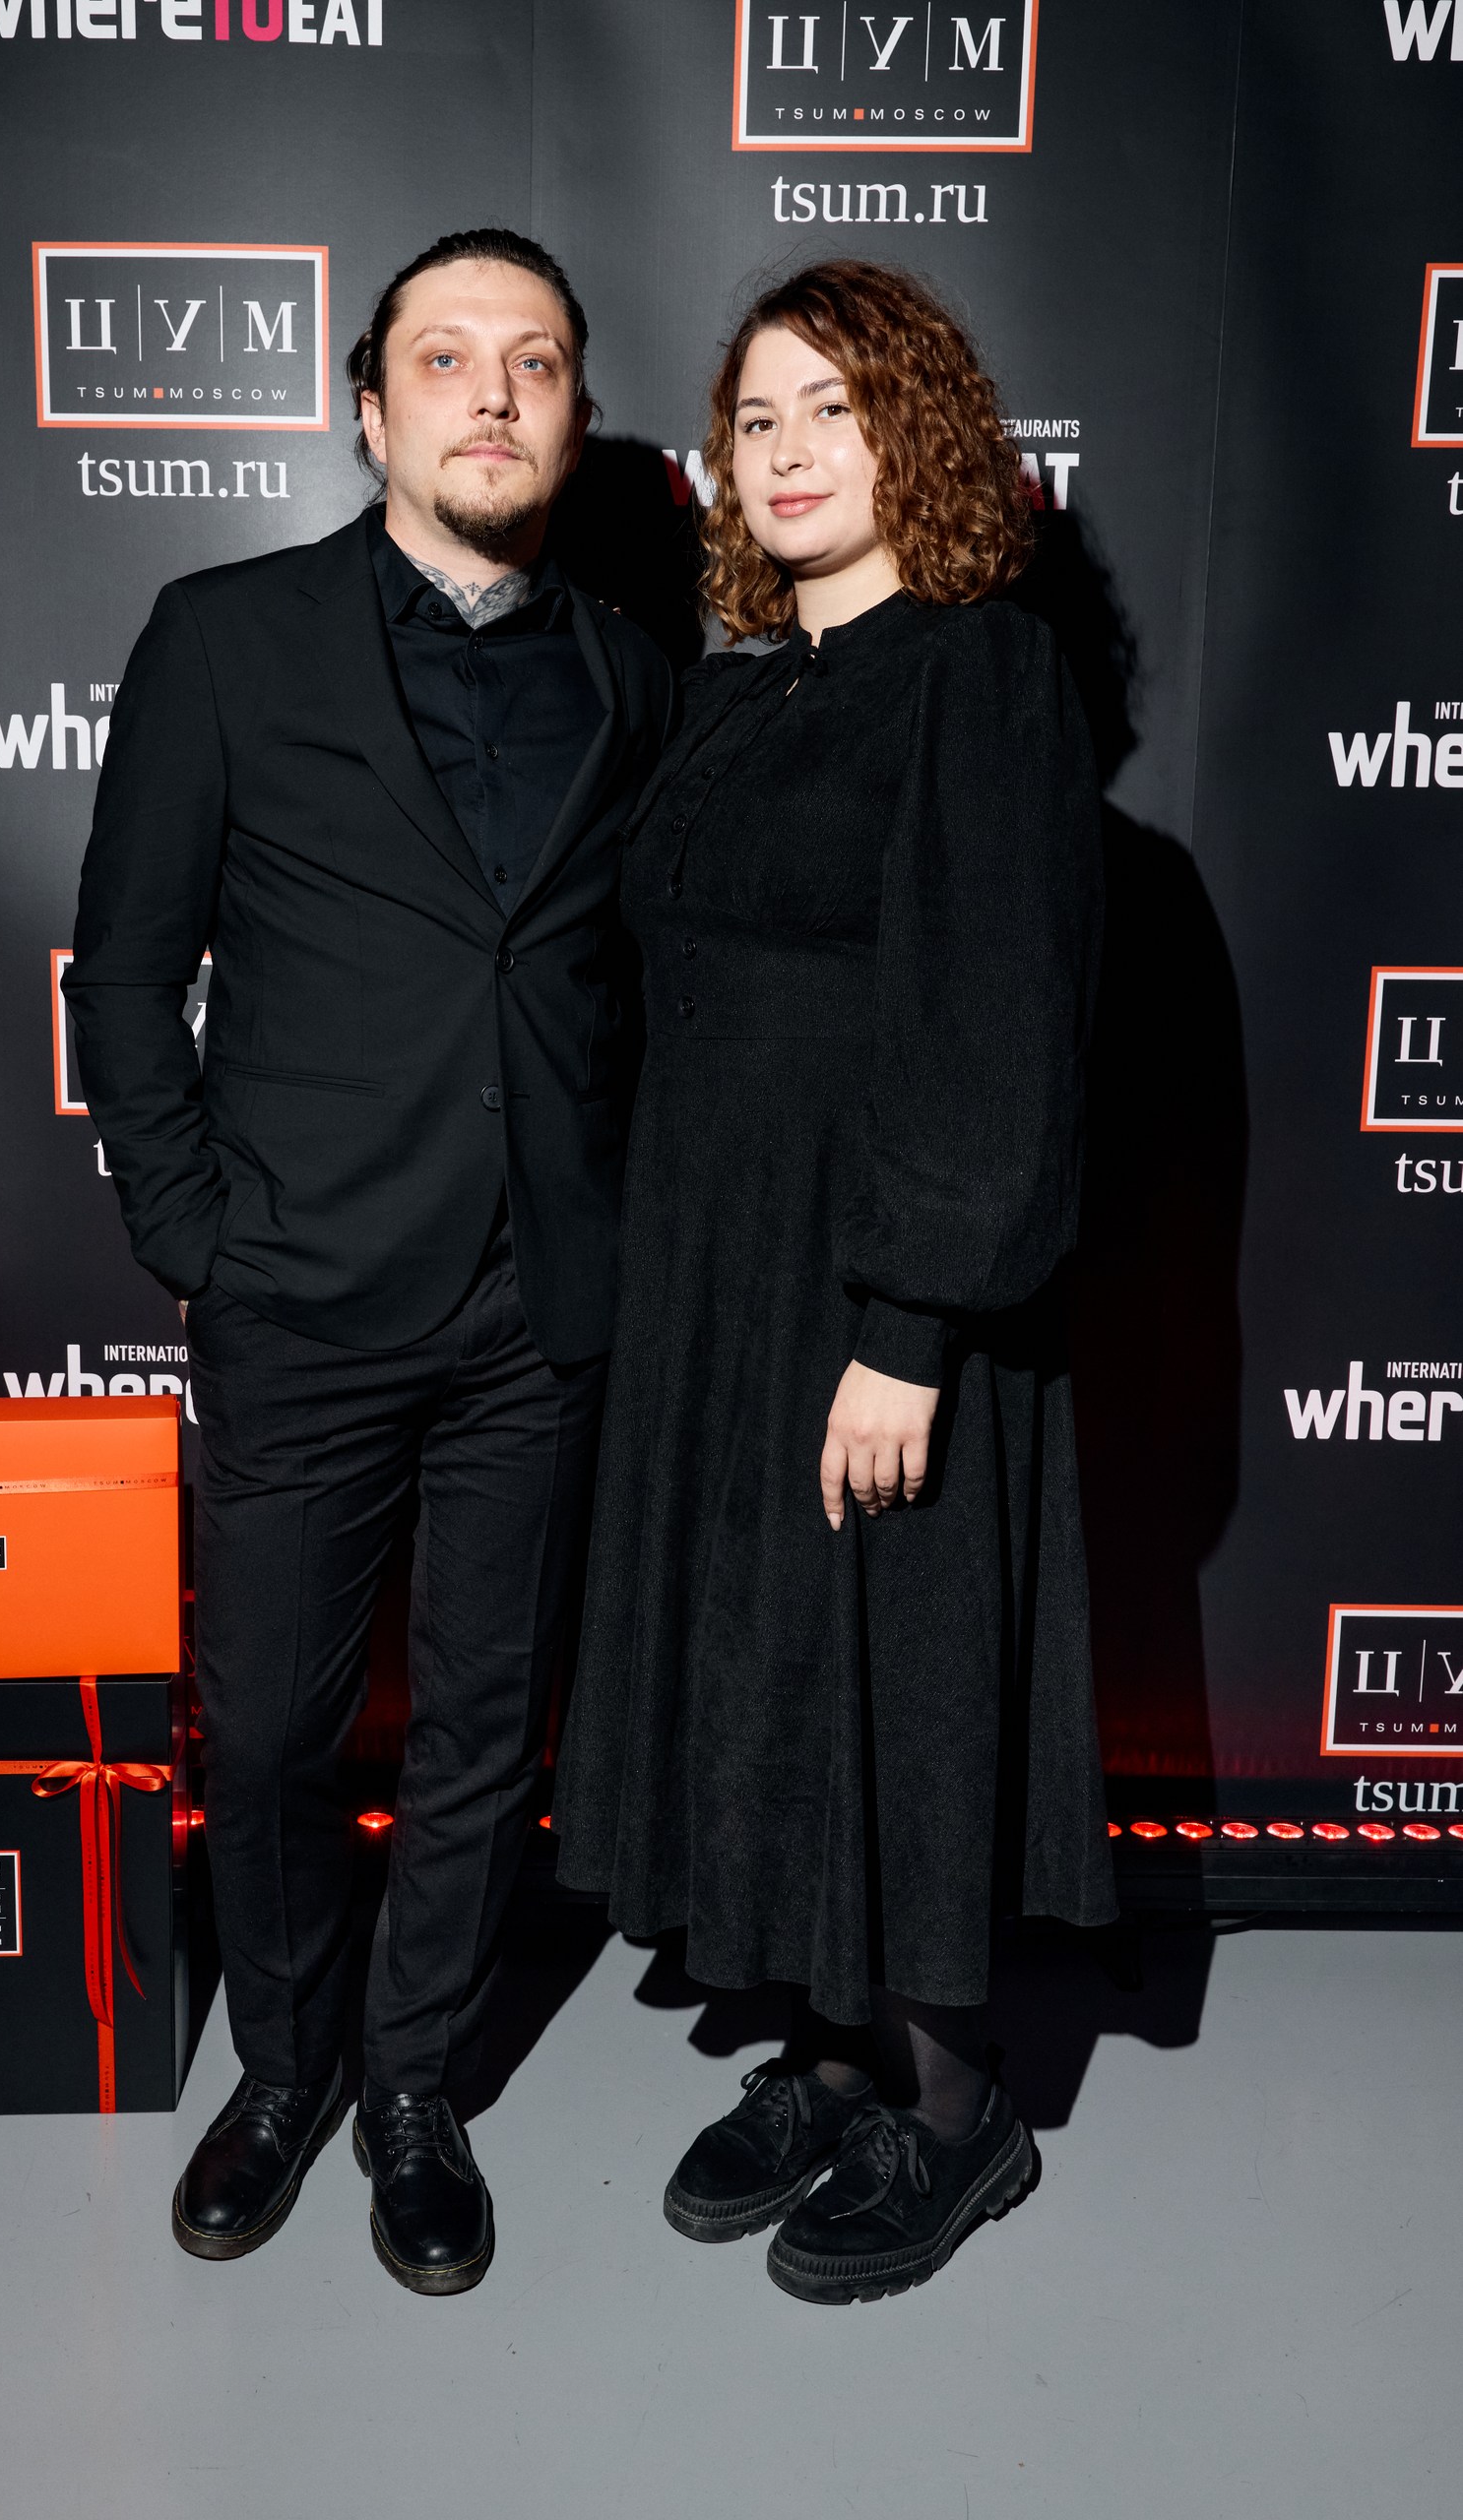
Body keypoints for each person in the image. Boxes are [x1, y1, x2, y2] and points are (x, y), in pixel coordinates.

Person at [65, 228, 672, 2292]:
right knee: (261, 1737)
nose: (491, 393)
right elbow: (127, 971)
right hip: (300, 1292)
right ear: (367, 406)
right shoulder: (225, 637)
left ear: (573, 415)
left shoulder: (632, 671)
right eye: (445, 357)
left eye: (533, 362)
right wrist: (192, 1234)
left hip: (542, 1311)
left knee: (486, 1732)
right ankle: (283, 2066)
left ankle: (413, 2085)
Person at [553, 260, 1115, 2306]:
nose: (787, 452)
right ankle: (829, 2047)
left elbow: (995, 1021)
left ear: (916, 436)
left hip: (877, 1277)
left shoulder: (980, 676)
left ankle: (956, 2110)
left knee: (893, 1660)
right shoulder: (731, 692)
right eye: (758, 417)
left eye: (834, 410)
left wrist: (908, 1326)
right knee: (772, 1655)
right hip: (715, 1273)